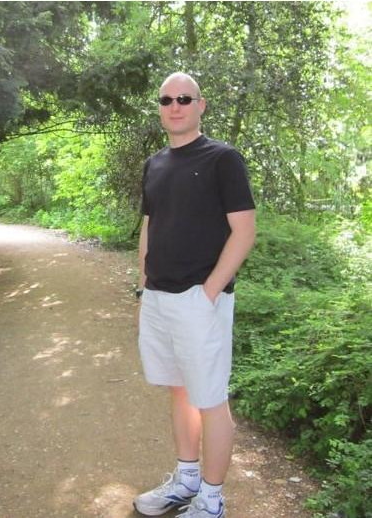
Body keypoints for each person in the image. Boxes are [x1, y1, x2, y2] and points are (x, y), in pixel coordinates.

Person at [133, 72, 256, 518]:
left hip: (199, 300)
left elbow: (244, 232)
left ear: (201, 105)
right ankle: (185, 481)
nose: (175, 105)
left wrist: (208, 293)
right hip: (159, 299)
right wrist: (144, 287)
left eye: (184, 98)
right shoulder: (155, 164)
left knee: (210, 398)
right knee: (180, 391)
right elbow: (150, 226)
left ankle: (212, 498)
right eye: (166, 99)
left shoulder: (224, 159)